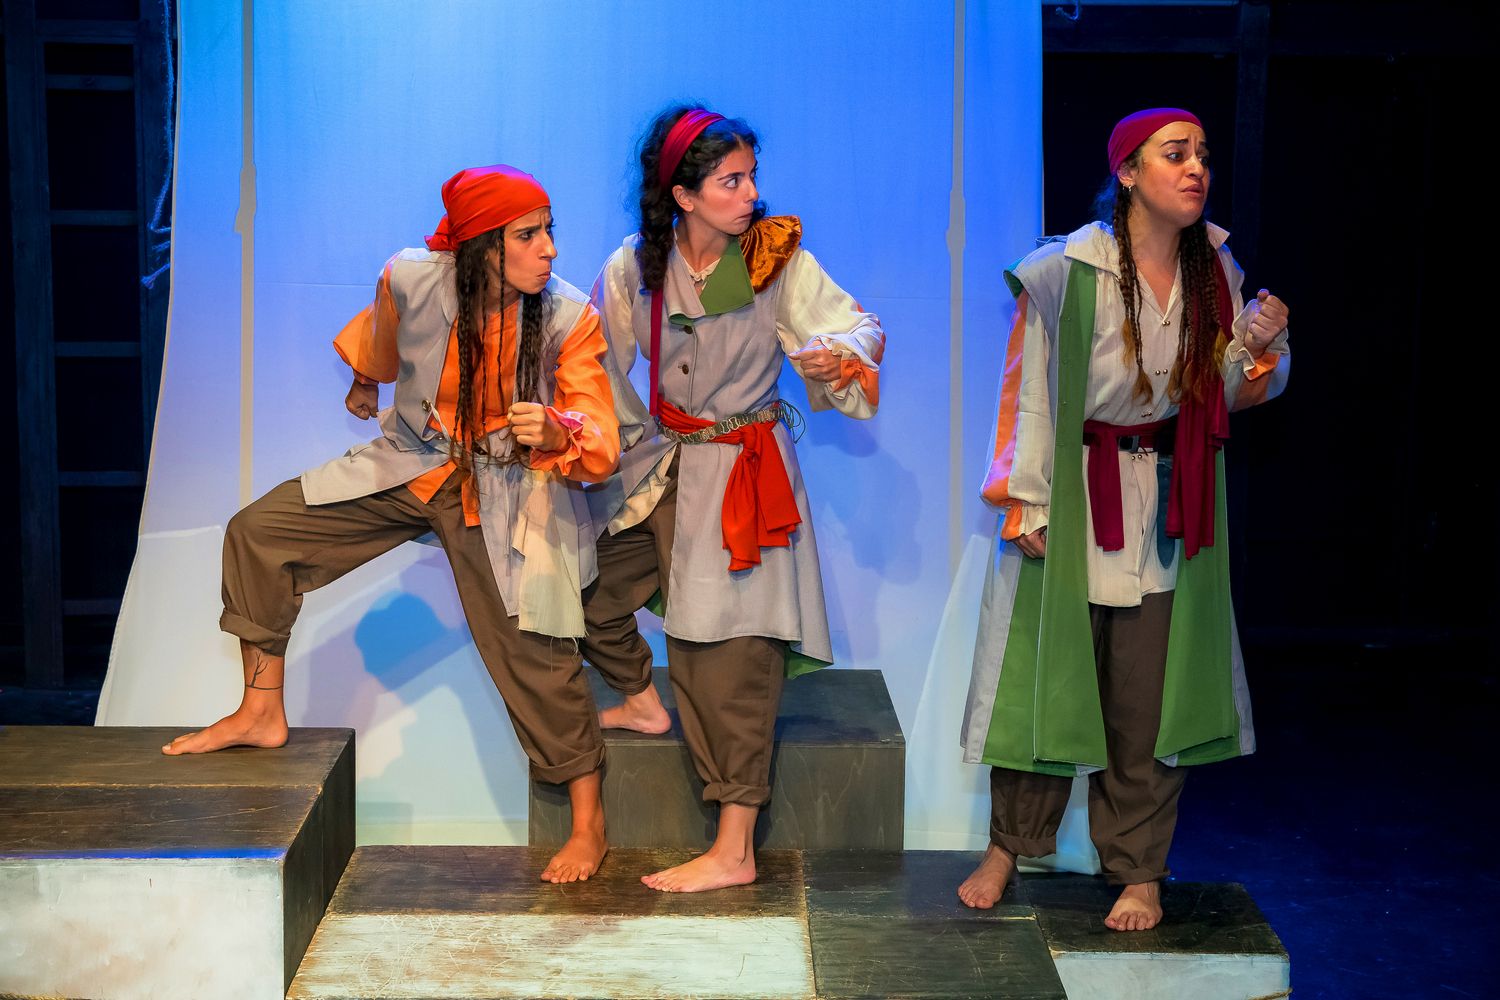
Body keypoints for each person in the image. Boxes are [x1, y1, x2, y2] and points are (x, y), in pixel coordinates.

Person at [162, 164, 620, 884]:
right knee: (259, 533)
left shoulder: (567, 316)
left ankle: (589, 822)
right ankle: (260, 712)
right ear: (480, 247)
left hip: (504, 485)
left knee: (532, 643)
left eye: (548, 231)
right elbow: (384, 331)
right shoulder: (413, 276)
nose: (550, 249)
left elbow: (600, 431)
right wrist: (363, 380)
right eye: (528, 235)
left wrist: (561, 432)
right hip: (411, 462)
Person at [957, 109, 1290, 930]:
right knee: (1046, 685)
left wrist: (1255, 347)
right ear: (1129, 173)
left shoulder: (1215, 270)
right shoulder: (1064, 269)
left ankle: (1139, 868)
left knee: (1147, 700)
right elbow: (1029, 389)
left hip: (1165, 501)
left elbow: (1225, 393)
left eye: (1202, 155)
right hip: (1073, 492)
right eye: (1176, 155)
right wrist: (1027, 500)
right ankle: (1007, 848)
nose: (1196, 168)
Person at [583, 106, 884, 892]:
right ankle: (641, 701)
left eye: (751, 177)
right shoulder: (635, 266)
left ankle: (735, 848)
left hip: (742, 471)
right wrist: (591, 440)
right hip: (662, 462)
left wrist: (834, 354)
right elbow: (596, 362)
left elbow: (859, 328)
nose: (750, 194)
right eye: (730, 180)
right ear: (683, 196)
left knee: (733, 657)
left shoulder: (771, 259)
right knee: (578, 579)